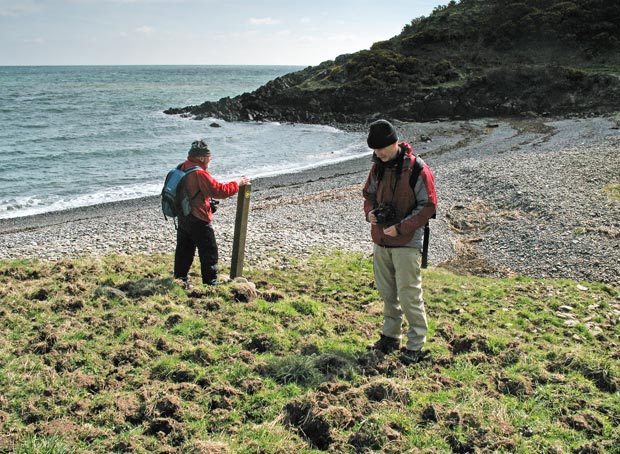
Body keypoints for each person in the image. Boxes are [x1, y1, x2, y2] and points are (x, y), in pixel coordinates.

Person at [362, 119, 437, 364]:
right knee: (387, 293)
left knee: (409, 294)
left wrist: (401, 228)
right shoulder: (377, 167)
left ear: (395, 143)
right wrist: (370, 213)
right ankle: (390, 336)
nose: (379, 154)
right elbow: (369, 194)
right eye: (375, 150)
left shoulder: (417, 168)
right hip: (381, 239)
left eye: (382, 149)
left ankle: (415, 344)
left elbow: (429, 206)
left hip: (406, 242)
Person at [174, 139, 250, 286]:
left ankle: (180, 279)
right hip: (199, 218)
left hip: (183, 216)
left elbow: (193, 192)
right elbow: (219, 191)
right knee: (209, 252)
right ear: (202, 157)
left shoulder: (182, 167)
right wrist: (238, 183)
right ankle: (211, 283)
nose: (211, 159)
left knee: (184, 250)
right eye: (209, 156)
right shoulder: (199, 173)